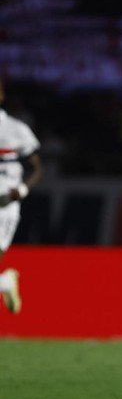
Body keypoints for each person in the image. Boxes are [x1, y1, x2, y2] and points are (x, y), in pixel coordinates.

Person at [0, 79, 43, 314]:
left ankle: (5, 282)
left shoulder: (16, 130)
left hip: (4, 207)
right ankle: (5, 282)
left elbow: (38, 169)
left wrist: (22, 190)